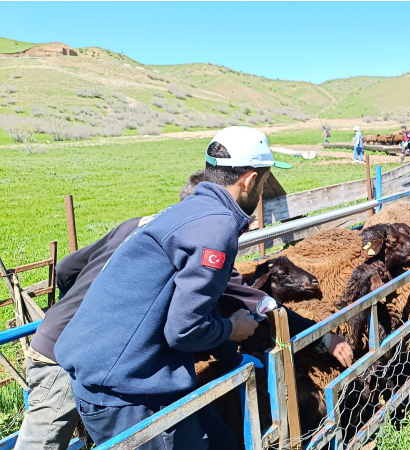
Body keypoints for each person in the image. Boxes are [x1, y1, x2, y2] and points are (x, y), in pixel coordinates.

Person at [15, 170, 353, 450]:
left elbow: (68, 268)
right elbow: (243, 301)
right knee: (43, 443)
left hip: (76, 343)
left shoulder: (140, 227)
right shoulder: (198, 243)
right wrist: (321, 338)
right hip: (71, 359)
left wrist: (74, 306)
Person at [55, 126, 292, 449]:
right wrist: (231, 329)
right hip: (126, 391)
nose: (262, 191)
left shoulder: (191, 211)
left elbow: (197, 302)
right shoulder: (216, 228)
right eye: (264, 183)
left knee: (223, 442)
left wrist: (233, 359)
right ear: (249, 180)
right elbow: (183, 330)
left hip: (120, 369)